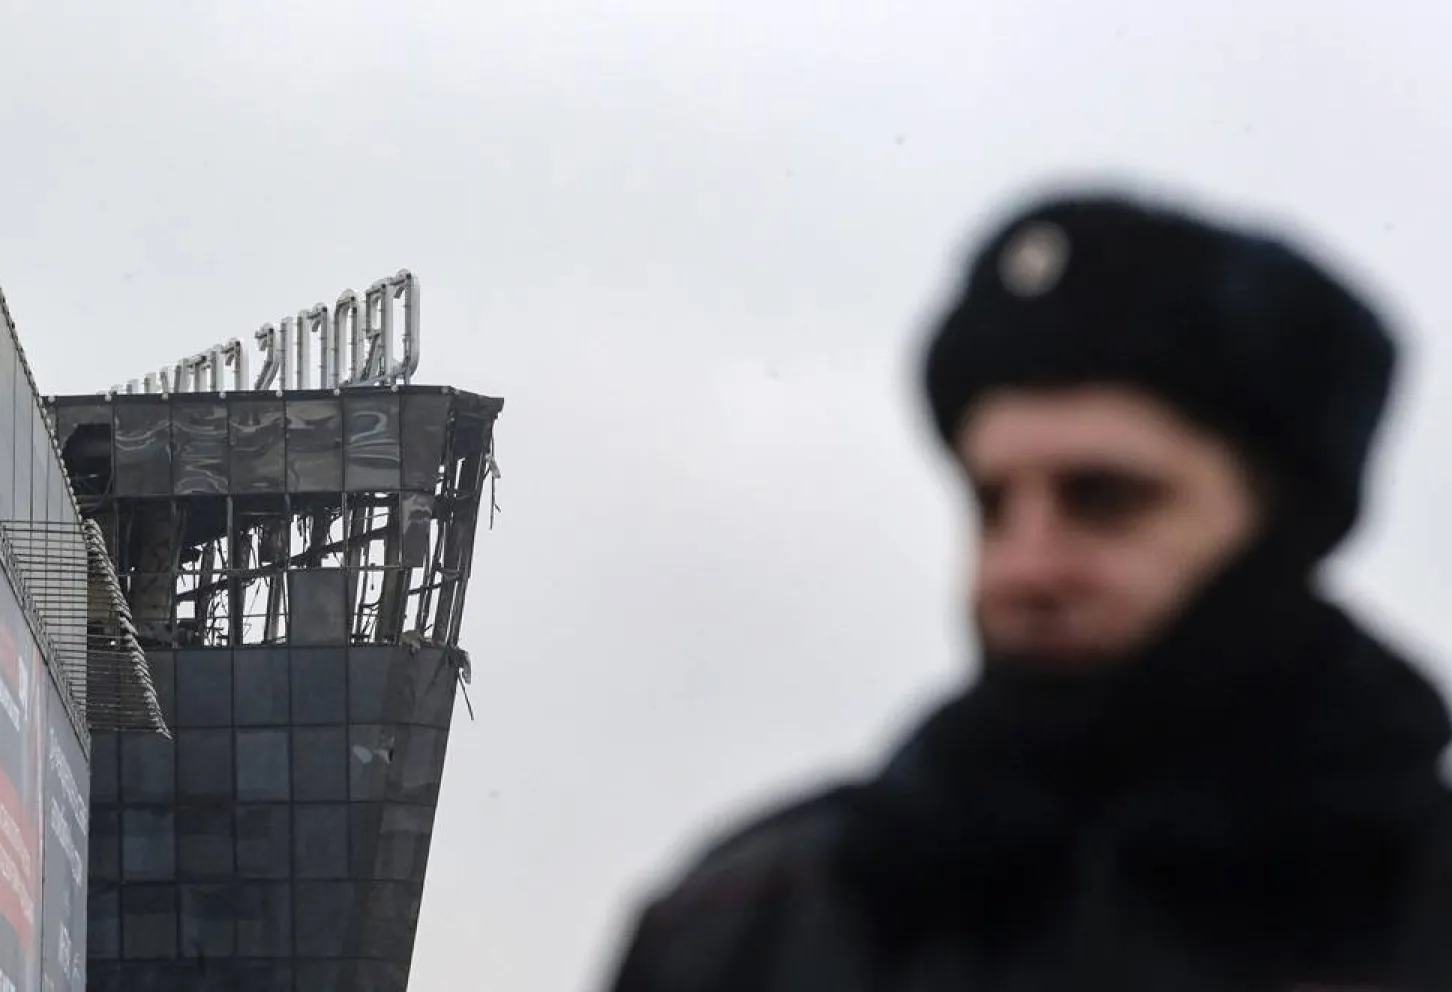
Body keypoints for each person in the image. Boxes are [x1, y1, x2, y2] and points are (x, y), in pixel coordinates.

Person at [604, 193, 1452, 990]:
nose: (1023, 569)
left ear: (1280, 529)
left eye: (1105, 499)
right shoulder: (753, 931)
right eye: (991, 504)